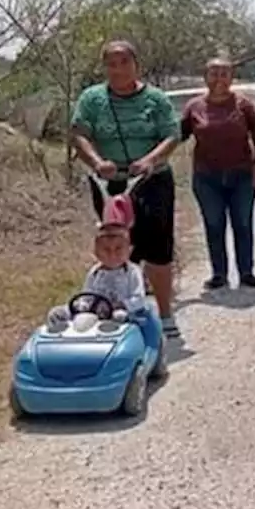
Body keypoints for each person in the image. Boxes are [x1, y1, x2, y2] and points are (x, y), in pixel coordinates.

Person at [70, 40, 182, 339]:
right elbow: (79, 134)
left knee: (158, 248)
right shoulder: (92, 99)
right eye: (111, 64)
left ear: (136, 65)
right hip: (110, 183)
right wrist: (97, 162)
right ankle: (116, 313)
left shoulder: (155, 99)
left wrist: (149, 160)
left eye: (124, 62)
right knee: (115, 246)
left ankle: (165, 314)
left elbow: (172, 135)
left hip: (152, 181)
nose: (118, 70)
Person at [181, 56, 255, 290]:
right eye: (214, 73)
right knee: (214, 224)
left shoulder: (244, 105)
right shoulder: (194, 107)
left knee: (242, 223)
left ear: (232, 78)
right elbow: (177, 135)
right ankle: (218, 274)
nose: (219, 78)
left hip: (241, 175)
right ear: (205, 77)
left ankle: (247, 272)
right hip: (206, 177)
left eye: (224, 73)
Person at [48, 215, 167, 377]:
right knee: (57, 313)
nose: (112, 255)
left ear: (129, 250)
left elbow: (138, 299)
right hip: (95, 314)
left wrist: (123, 304)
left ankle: (119, 360)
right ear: (96, 252)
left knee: (118, 317)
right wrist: (81, 306)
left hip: (125, 314)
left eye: (118, 249)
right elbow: (86, 294)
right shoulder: (95, 272)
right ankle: (59, 351)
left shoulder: (132, 272)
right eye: (106, 250)